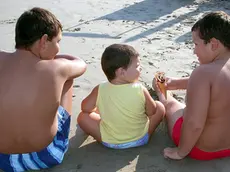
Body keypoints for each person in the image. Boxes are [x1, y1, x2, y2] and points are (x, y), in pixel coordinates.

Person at [0, 7, 86, 171]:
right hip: (45, 156)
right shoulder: (57, 68)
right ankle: (59, 138)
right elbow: (81, 64)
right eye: (57, 42)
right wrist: (57, 60)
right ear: (44, 40)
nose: (58, 48)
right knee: (67, 79)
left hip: (3, 158)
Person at [153, 11, 230, 160]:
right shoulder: (217, 71)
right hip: (228, 147)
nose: (194, 51)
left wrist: (180, 152)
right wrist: (176, 83)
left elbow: (194, 124)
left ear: (213, 44)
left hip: (201, 148)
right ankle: (169, 87)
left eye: (196, 44)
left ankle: (162, 92)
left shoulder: (202, 72)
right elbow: (218, 81)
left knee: (172, 105)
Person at [77, 44, 165, 149]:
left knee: (83, 117)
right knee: (159, 107)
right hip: (140, 139)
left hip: (110, 142)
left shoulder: (100, 89)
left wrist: (99, 110)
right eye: (137, 66)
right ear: (121, 72)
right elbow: (152, 112)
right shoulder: (140, 89)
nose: (140, 68)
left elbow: (85, 108)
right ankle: (148, 134)